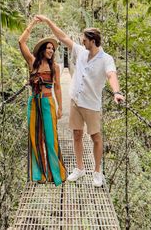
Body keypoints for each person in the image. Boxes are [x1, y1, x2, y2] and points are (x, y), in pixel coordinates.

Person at [35, 15, 124, 187]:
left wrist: (116, 91)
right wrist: (48, 21)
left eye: (85, 39)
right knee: (76, 134)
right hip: (75, 101)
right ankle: (80, 168)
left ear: (93, 40)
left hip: (91, 105)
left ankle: (97, 172)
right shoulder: (81, 52)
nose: (82, 41)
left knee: (96, 138)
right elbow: (62, 37)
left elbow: (111, 74)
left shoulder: (107, 59)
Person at [18, 17, 66, 186]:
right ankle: (40, 175)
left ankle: (55, 173)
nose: (51, 50)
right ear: (42, 50)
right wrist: (32, 23)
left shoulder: (55, 68)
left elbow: (58, 87)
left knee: (50, 138)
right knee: (34, 137)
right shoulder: (32, 63)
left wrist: (60, 107)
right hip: (33, 103)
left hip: (47, 103)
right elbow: (21, 41)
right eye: (48, 47)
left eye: (52, 48)